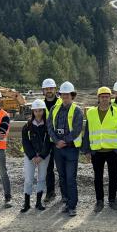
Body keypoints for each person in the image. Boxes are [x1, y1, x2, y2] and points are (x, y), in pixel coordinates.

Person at [82, 87, 117, 213]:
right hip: (97, 151)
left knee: (113, 176)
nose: (104, 99)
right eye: (102, 96)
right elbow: (87, 132)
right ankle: (99, 201)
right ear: (98, 98)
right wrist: (86, 150)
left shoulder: (116, 111)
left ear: (110, 98)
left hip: (113, 151)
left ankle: (112, 200)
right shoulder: (91, 113)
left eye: (107, 96)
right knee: (98, 177)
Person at [47, 81, 83, 217]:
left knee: (70, 178)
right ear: (60, 95)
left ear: (72, 95)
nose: (65, 97)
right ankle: (67, 201)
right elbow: (49, 126)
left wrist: (64, 141)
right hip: (58, 149)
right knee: (62, 177)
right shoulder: (54, 109)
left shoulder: (77, 110)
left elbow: (77, 129)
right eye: (63, 94)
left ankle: (72, 205)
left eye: (68, 95)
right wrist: (57, 141)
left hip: (71, 149)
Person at [20, 99, 52, 213]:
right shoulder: (27, 126)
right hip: (30, 157)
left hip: (43, 157)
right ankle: (27, 203)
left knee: (42, 178)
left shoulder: (48, 126)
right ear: (33, 111)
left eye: (40, 111)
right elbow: (25, 142)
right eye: (36, 111)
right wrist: (33, 156)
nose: (38, 113)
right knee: (28, 179)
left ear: (43, 111)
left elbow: (49, 142)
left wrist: (41, 156)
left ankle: (38, 202)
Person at [41, 78, 60, 203]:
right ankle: (50, 192)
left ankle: (65, 194)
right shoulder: (40, 105)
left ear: (55, 90)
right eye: (47, 89)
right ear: (43, 91)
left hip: (59, 140)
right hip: (46, 141)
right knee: (48, 168)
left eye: (51, 89)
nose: (49, 91)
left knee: (61, 168)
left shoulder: (61, 103)